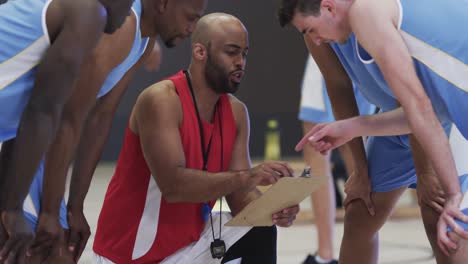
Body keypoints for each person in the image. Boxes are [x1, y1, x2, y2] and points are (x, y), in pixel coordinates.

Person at [0, 0, 208, 262]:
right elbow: (65, 118)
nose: (192, 29)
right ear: (164, 5)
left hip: (33, 135)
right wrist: (47, 211)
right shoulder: (117, 24)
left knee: (52, 250)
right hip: (40, 139)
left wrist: (76, 206)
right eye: (190, 17)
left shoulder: (141, 39)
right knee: (50, 251)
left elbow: (100, 117)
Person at [93, 13, 300, 264]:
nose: (240, 62)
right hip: (130, 254)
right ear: (200, 52)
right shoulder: (161, 100)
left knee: (260, 226)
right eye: (231, 52)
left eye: (244, 53)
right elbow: (173, 186)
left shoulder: (236, 112)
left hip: (187, 245)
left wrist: (274, 209)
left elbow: (239, 196)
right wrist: (250, 175)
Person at [277, 0, 468, 263]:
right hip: (410, 115)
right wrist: (359, 165)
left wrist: (434, 178)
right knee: (360, 210)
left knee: (448, 225)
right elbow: (342, 87)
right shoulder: (337, 26)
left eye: (311, 29)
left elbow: (420, 107)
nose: (316, 39)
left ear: (328, 7)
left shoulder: (367, 12)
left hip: (440, 119)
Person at [0, 0, 135, 261]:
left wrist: (9, 203)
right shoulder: (88, 14)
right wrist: (13, 209)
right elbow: (43, 111)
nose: (130, 10)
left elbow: (25, 127)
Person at [298, 56, 375, 264]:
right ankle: (363, 254)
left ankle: (325, 256)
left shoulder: (317, 36)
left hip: (331, 53)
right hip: (362, 57)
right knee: (358, 159)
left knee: (317, 156)